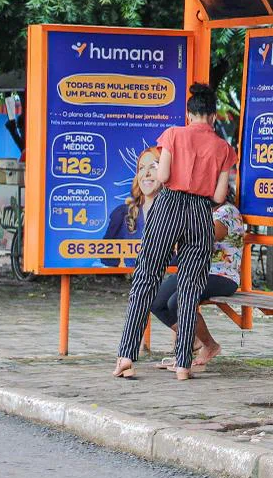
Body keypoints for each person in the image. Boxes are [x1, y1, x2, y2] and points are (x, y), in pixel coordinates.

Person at [113, 83, 237, 381]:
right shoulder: (224, 148)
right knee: (190, 287)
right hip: (200, 212)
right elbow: (220, 196)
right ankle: (183, 365)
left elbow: (165, 176)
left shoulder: (173, 135)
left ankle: (126, 358)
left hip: (169, 207)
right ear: (213, 116)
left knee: (146, 278)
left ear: (188, 113)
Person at [149, 186, 245, 370]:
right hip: (192, 271)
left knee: (178, 301)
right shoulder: (199, 211)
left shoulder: (227, 211)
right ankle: (193, 340)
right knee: (155, 300)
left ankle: (209, 345)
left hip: (221, 275)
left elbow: (204, 241)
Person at [101, 146, 162, 267]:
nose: (146, 173)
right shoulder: (122, 215)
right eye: (141, 168)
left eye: (153, 167)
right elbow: (107, 260)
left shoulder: (181, 214)